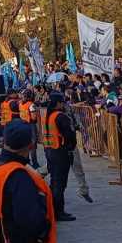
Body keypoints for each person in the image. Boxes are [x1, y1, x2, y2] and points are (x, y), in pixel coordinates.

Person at [42, 92, 77, 222]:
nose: (64, 104)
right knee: (59, 184)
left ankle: (53, 209)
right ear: (58, 103)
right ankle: (58, 212)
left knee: (55, 182)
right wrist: (71, 146)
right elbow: (70, 135)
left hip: (50, 151)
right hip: (60, 153)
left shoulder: (48, 116)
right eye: (62, 102)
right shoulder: (60, 117)